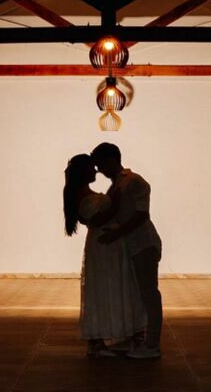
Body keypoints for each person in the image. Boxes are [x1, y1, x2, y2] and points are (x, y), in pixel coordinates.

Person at [62, 153, 144, 355]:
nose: (96, 170)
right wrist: (115, 201)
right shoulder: (82, 195)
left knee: (111, 285)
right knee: (103, 287)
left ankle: (105, 337)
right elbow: (96, 219)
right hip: (104, 244)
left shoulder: (83, 192)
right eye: (92, 167)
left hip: (109, 243)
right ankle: (97, 341)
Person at [90, 141, 162, 359]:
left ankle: (152, 345)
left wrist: (116, 233)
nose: (98, 170)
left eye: (100, 164)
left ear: (111, 160)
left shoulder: (134, 182)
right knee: (140, 293)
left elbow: (142, 214)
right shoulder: (118, 184)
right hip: (132, 246)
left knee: (149, 294)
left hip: (143, 244)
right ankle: (140, 339)